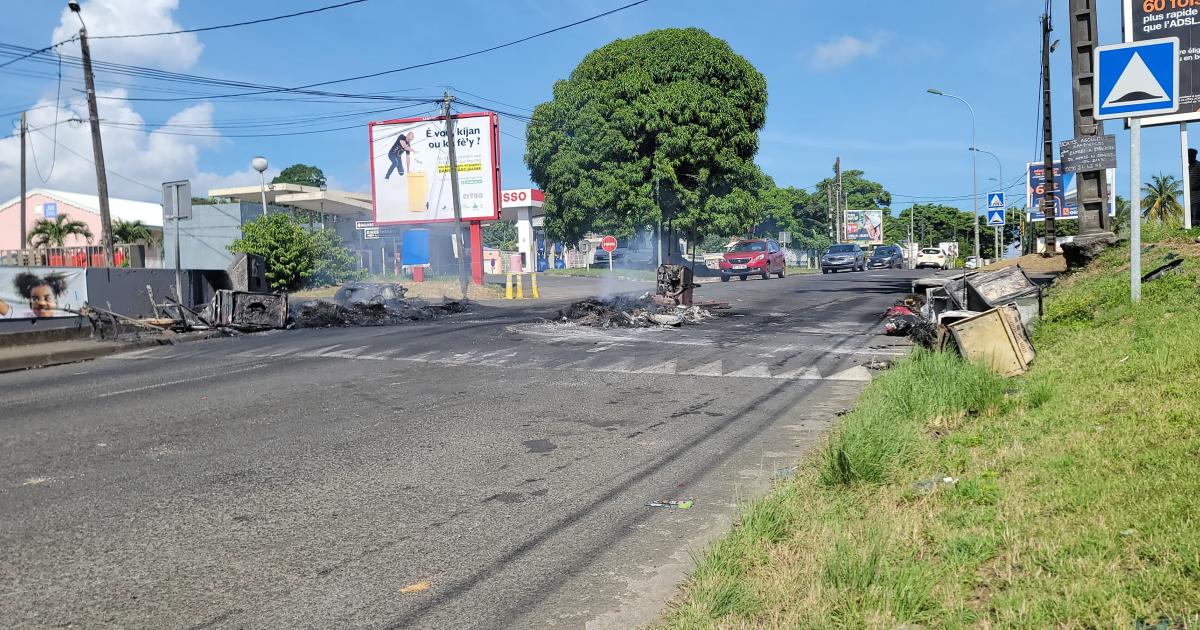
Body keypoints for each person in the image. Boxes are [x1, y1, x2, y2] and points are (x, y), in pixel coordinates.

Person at [1189, 148, 1200, 226]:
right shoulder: (1188, 167)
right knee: (1189, 220)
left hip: (1197, 197)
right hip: (1189, 198)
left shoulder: (1198, 166)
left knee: (1195, 220)